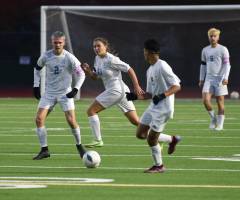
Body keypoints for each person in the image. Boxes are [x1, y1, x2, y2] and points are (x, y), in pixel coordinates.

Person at [82, 37, 177, 148]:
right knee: (137, 122)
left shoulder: (111, 59)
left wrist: (136, 86)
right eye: (94, 46)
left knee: (91, 111)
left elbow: (129, 69)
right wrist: (88, 72)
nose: (96, 48)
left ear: (105, 47)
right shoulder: (97, 59)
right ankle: (170, 139)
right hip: (120, 92)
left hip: (116, 90)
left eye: (99, 46)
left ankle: (97, 140)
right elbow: (96, 77)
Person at [126, 39, 181, 173]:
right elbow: (151, 93)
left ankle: (159, 166)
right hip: (154, 106)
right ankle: (171, 139)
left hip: (164, 109)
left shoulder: (162, 66)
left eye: (144, 51)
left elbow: (177, 86)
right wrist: (135, 96)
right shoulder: (150, 69)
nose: (143, 54)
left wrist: (163, 95)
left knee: (151, 139)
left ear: (149, 52)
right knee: (140, 133)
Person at [33, 31, 86, 160]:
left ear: (64, 43)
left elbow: (81, 74)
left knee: (71, 121)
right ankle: (44, 150)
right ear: (52, 42)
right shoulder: (46, 56)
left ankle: (80, 146)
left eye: (60, 42)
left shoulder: (69, 57)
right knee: (39, 119)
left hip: (65, 93)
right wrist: (36, 85)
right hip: (49, 93)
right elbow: (37, 68)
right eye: (55, 42)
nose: (57, 45)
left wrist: (75, 89)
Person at [199, 28, 231, 131]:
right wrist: (201, 79)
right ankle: (213, 119)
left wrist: (226, 77)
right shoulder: (205, 50)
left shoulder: (223, 49)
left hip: (220, 78)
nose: (212, 38)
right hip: (208, 78)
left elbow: (227, 65)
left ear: (218, 37)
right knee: (205, 100)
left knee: (219, 102)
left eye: (214, 36)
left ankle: (220, 125)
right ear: (208, 37)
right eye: (211, 36)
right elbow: (203, 65)